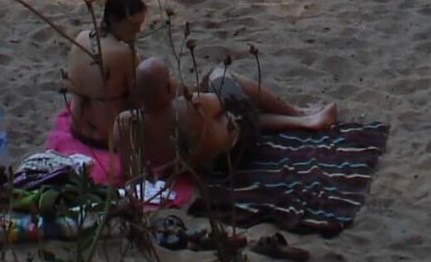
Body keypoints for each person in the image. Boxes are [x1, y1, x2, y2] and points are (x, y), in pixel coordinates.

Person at [113, 56, 338, 183]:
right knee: (220, 76)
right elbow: (226, 100)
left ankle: (304, 121)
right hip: (234, 154)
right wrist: (195, 91)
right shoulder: (190, 107)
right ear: (169, 87)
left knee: (223, 121)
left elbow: (129, 174)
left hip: (199, 165)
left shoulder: (124, 123)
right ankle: (298, 113)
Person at [63, 0, 147, 147]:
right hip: (105, 136)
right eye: (133, 24)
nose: (138, 30)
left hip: (76, 126)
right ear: (114, 20)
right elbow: (137, 98)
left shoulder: (81, 36)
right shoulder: (124, 53)